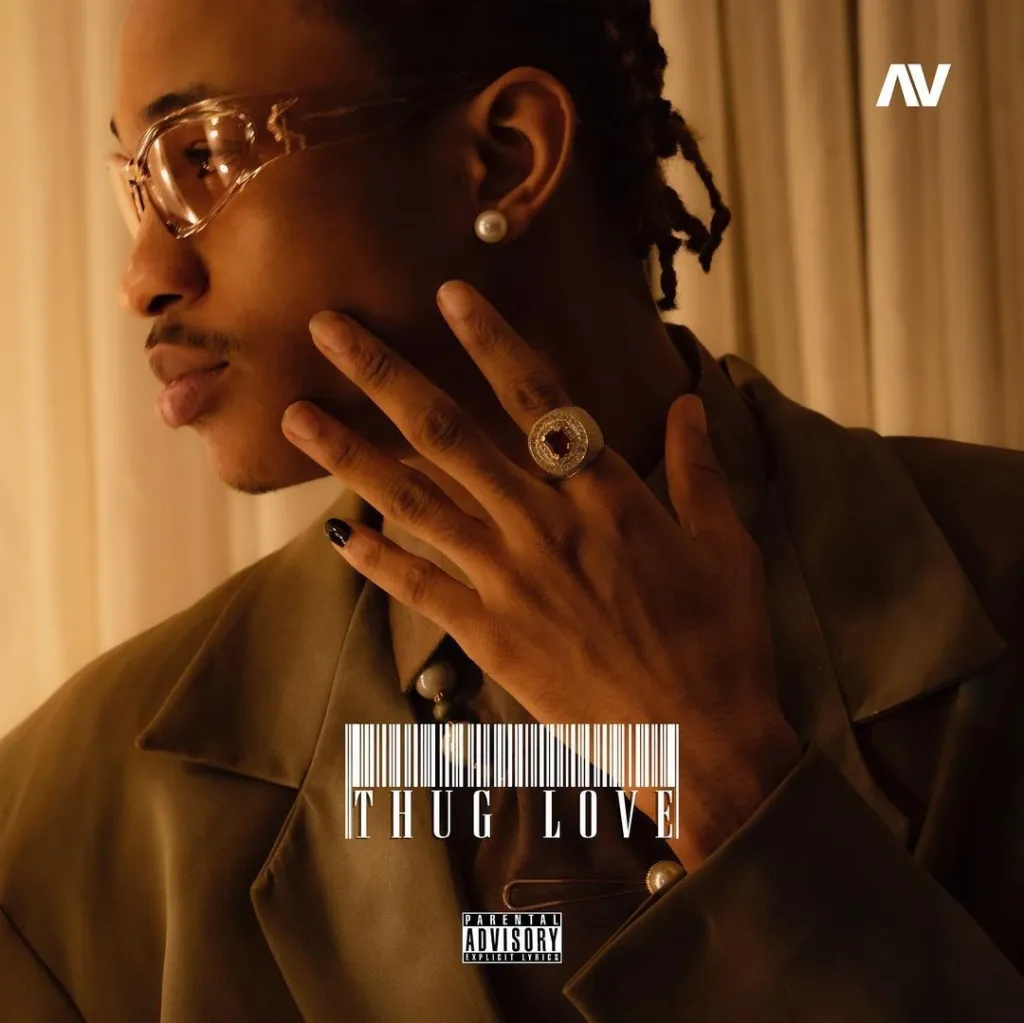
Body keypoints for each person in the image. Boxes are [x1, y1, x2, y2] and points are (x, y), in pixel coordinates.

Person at [1, 0, 1023, 1020]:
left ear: (503, 158)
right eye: (135, 188)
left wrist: (726, 781)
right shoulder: (51, 830)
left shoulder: (996, 568)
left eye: (205, 157)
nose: (143, 279)